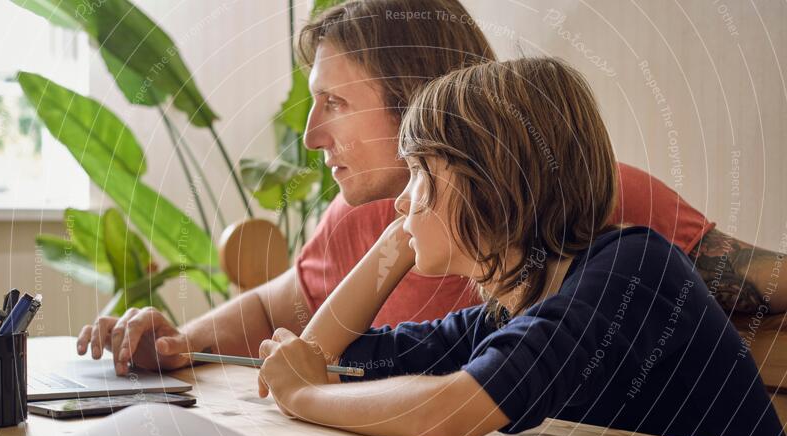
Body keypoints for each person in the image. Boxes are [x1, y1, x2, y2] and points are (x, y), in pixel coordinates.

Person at [76, 0, 787, 379]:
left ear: (423, 103)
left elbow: (768, 282)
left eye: (336, 105)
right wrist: (176, 346)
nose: (311, 136)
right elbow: (275, 310)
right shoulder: (365, 218)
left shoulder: (598, 200)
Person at [255, 57, 787, 436]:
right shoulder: (508, 311)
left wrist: (302, 393)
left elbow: (451, 412)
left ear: (487, 181)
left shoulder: (630, 271)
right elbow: (325, 359)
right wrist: (393, 244)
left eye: (419, 172)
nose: (400, 200)